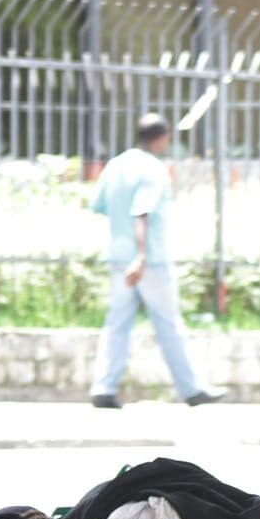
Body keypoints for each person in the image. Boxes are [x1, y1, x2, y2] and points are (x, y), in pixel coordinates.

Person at [87, 113, 225, 409]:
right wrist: (141, 257)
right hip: (148, 261)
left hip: (118, 257)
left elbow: (98, 205)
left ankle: (103, 387)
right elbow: (142, 212)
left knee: (116, 323)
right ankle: (191, 389)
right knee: (168, 324)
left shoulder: (117, 164)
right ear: (162, 138)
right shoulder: (152, 169)